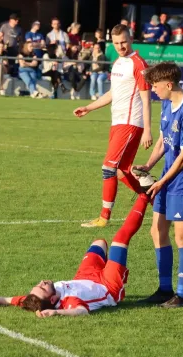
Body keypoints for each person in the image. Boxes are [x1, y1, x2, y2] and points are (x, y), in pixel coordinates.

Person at [0, 189, 155, 317]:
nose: (41, 282)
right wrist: (57, 313)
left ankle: (112, 263)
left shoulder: (34, 299)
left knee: (100, 243)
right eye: (42, 287)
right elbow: (81, 311)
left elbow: (8, 300)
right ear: (52, 299)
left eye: (37, 284)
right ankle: (145, 195)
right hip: (108, 286)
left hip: (85, 277)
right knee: (120, 239)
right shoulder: (69, 301)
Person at [133, 61, 183, 308]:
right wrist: (148, 166)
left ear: (168, 84)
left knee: (182, 236)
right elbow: (164, 138)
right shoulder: (166, 104)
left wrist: (161, 181)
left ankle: (182, 296)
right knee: (157, 230)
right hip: (167, 177)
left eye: (154, 85)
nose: (152, 89)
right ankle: (165, 289)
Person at [73, 24, 153, 228]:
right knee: (123, 171)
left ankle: (104, 217)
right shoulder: (118, 62)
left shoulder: (139, 64)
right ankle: (156, 199)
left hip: (131, 123)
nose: (121, 46)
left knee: (108, 167)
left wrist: (148, 130)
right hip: (117, 123)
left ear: (131, 38)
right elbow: (113, 94)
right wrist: (89, 107)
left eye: (124, 42)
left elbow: (146, 99)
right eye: (116, 43)